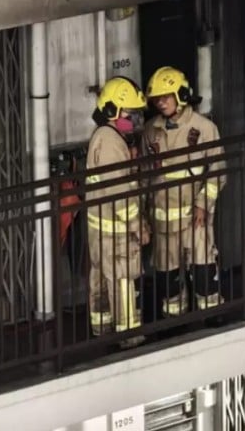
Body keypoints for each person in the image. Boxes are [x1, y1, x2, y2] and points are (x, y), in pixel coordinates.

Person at [143, 66, 226, 316]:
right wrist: (142, 215)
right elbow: (145, 177)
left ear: (181, 94)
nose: (161, 102)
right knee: (168, 280)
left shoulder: (204, 128)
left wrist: (203, 203)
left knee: (203, 272)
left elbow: (217, 171)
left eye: (166, 96)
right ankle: (174, 320)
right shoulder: (150, 130)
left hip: (195, 219)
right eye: (157, 98)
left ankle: (212, 315)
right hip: (162, 221)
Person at [85, 76, 150, 348]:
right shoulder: (112, 143)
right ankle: (129, 335)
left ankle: (102, 327)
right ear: (112, 110)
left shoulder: (104, 136)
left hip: (100, 228)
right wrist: (138, 225)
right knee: (122, 280)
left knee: (101, 277)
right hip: (116, 230)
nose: (134, 119)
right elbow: (121, 193)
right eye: (129, 114)